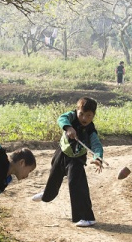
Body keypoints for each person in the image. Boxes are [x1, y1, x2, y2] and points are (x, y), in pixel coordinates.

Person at [32, 97, 103, 227]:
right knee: (54, 176)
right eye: (81, 114)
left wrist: (97, 158)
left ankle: (86, 217)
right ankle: (47, 196)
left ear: (93, 116)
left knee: (77, 186)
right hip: (62, 152)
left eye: (89, 116)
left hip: (76, 160)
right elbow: (61, 118)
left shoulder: (90, 130)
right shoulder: (70, 117)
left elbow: (96, 145)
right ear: (77, 110)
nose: (84, 119)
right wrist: (68, 127)